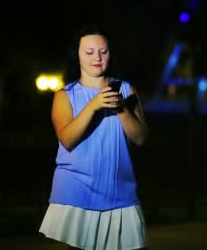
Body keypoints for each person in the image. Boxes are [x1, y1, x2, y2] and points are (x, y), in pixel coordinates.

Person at [39, 25, 149, 250]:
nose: (97, 58)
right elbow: (67, 139)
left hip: (120, 192)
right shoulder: (65, 95)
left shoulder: (126, 90)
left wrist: (121, 108)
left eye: (103, 51)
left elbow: (140, 138)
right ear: (77, 55)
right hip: (76, 190)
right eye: (89, 52)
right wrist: (93, 106)